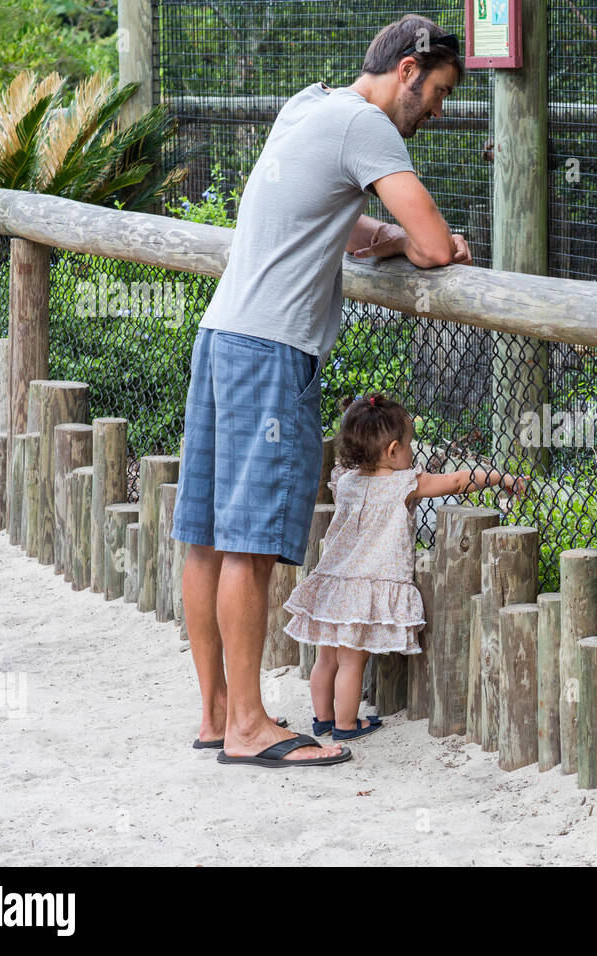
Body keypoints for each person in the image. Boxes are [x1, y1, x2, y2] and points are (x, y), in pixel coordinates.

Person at [171, 14, 472, 768]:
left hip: (222, 336)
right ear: (408, 69)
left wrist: (386, 238)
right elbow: (436, 245)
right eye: (436, 93)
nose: (435, 112)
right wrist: (423, 242)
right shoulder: (367, 127)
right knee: (251, 543)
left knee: (204, 534)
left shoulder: (307, 104)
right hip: (272, 351)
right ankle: (248, 728)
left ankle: (216, 716)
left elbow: (331, 222)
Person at [285, 394, 527, 742]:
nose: (413, 453)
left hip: (332, 582)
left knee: (327, 659)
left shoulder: (347, 479)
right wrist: (500, 478)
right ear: (393, 449)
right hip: (365, 584)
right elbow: (457, 481)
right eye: (410, 445)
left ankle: (323, 719)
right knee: (353, 662)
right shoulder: (404, 483)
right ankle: (346, 725)